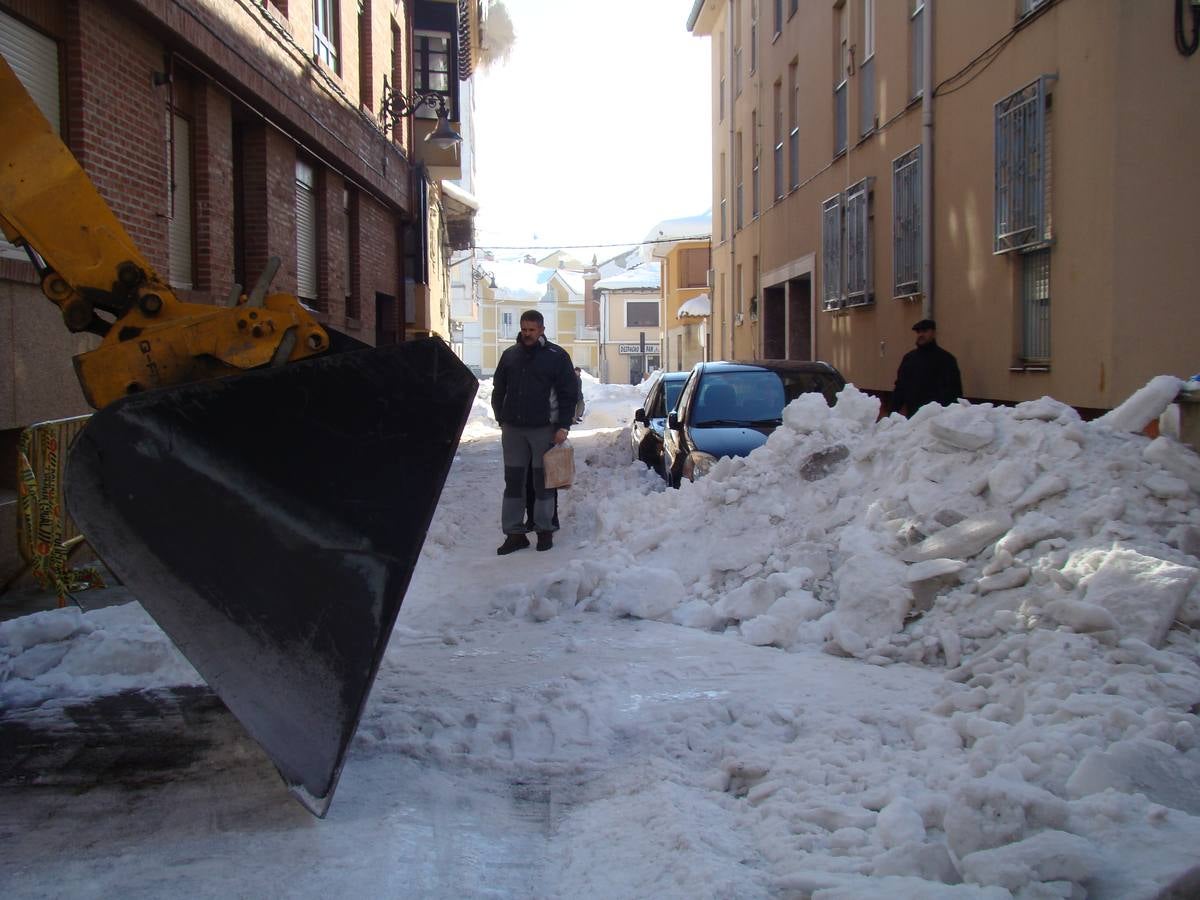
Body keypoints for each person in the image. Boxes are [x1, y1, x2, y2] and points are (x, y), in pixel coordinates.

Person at [491, 310, 577, 554]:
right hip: (513, 430)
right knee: (514, 482)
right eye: (524, 329)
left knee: (543, 483)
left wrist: (563, 426)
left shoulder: (556, 356)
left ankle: (544, 530)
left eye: (532, 329)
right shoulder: (510, 356)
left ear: (541, 330)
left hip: (544, 429)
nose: (527, 334)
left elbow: (568, 394)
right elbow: (499, 389)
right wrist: (501, 416)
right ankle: (514, 534)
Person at [890, 318, 963, 417]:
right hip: (913, 415)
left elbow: (954, 389)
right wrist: (893, 411)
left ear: (933, 332)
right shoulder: (910, 358)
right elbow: (901, 386)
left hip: (937, 416)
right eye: (918, 332)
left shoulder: (945, 359)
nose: (920, 335)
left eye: (924, 331)